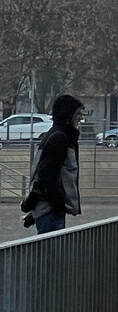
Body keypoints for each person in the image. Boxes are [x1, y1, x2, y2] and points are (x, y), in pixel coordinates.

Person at [21, 94, 85, 234]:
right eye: (78, 114)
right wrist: (58, 203)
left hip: (47, 208)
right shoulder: (60, 138)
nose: (81, 118)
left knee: (48, 252)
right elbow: (46, 175)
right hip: (50, 209)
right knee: (50, 253)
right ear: (69, 115)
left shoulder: (54, 135)